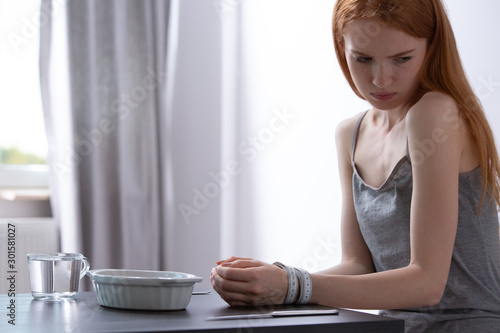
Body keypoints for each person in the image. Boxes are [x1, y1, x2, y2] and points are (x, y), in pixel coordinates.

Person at [210, 0, 500, 331]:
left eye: (401, 59)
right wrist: (274, 281)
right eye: (363, 59)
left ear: (431, 47)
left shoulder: (434, 113)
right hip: (390, 326)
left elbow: (428, 284)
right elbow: (358, 266)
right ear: (341, 47)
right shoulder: (350, 134)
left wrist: (292, 285)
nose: (381, 79)